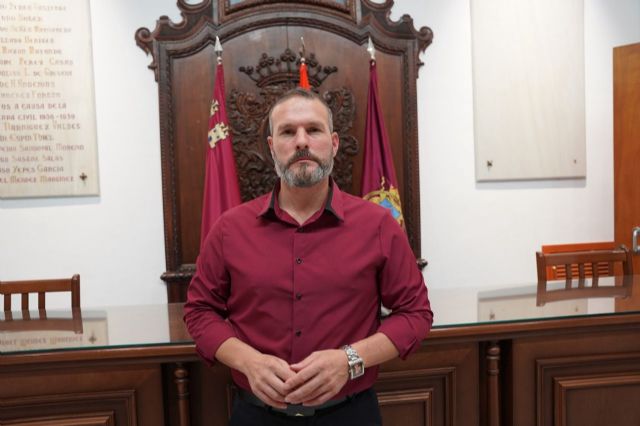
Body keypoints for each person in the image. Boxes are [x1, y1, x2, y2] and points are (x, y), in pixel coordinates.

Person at [184, 88, 433, 425]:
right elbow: (199, 311)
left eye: (313, 130)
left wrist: (349, 360)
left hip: (350, 415)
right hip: (256, 415)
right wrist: (247, 361)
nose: (301, 141)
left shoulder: (378, 225)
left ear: (334, 143)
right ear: (272, 146)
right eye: (288, 132)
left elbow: (415, 314)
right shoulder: (230, 229)